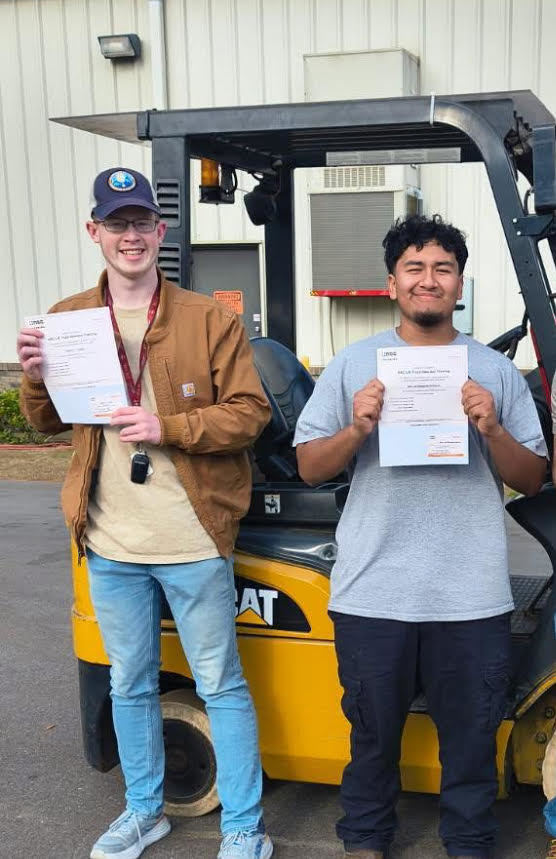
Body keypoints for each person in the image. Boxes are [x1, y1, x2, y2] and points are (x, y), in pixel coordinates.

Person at [16, 167, 273, 859]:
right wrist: (34, 372)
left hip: (193, 536)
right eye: (116, 223)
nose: (130, 236)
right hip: (110, 539)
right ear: (94, 232)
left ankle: (244, 827)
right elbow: (44, 423)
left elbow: (249, 413)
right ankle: (143, 809)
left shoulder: (207, 318)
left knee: (220, 682)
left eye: (141, 223)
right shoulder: (67, 320)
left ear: (160, 233)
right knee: (129, 684)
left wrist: (170, 427)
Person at [294, 214, 547, 859]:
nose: (428, 280)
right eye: (415, 267)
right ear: (392, 283)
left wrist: (491, 429)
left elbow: (535, 478)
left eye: (442, 268)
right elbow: (309, 464)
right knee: (373, 735)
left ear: (459, 284)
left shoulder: (493, 372)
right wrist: (356, 431)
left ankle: (468, 842)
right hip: (374, 590)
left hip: (469, 592)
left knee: (470, 736)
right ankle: (366, 839)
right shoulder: (354, 366)